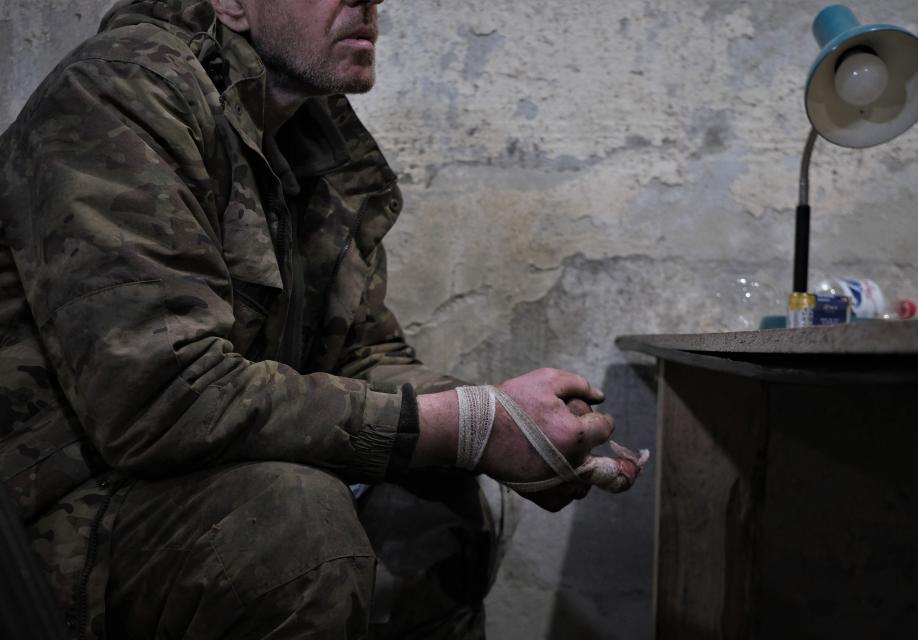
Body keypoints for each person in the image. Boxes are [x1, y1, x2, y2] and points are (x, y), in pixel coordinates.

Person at [0, 0, 646, 638]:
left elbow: (358, 354)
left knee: (432, 508)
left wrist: (515, 424)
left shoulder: (310, 139)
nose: (370, 1)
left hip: (187, 493)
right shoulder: (120, 96)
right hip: (61, 522)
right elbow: (164, 397)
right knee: (289, 523)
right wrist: (469, 427)